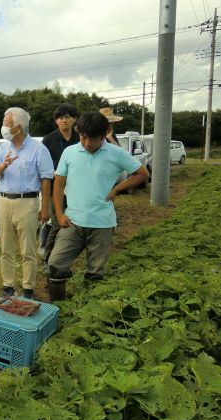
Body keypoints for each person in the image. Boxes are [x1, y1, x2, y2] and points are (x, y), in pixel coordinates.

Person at [46, 111, 150, 300]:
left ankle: (89, 310)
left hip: (102, 223)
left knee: (95, 272)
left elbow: (142, 174)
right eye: (83, 138)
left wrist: (118, 188)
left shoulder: (116, 153)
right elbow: (59, 183)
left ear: (105, 135)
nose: (87, 143)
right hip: (73, 221)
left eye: (93, 140)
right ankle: (58, 307)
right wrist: (60, 214)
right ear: (79, 132)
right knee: (55, 263)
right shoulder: (70, 152)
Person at [0, 107, 54, 301]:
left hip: (27, 202)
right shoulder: (3, 148)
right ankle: (8, 287)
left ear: (17, 127)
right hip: (4, 201)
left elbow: (46, 179)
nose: (3, 127)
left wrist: (45, 208)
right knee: (6, 248)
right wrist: (4, 164)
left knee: (28, 249)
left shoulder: (38, 149)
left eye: (6, 123)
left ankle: (28, 290)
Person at [41, 103, 80, 268]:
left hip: (75, 188)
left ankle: (62, 258)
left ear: (74, 119)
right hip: (53, 188)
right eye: (60, 117)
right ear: (56, 121)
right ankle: (47, 258)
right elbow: (43, 167)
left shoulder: (80, 138)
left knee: (71, 223)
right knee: (57, 224)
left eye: (67, 117)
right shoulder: (48, 140)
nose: (64, 120)